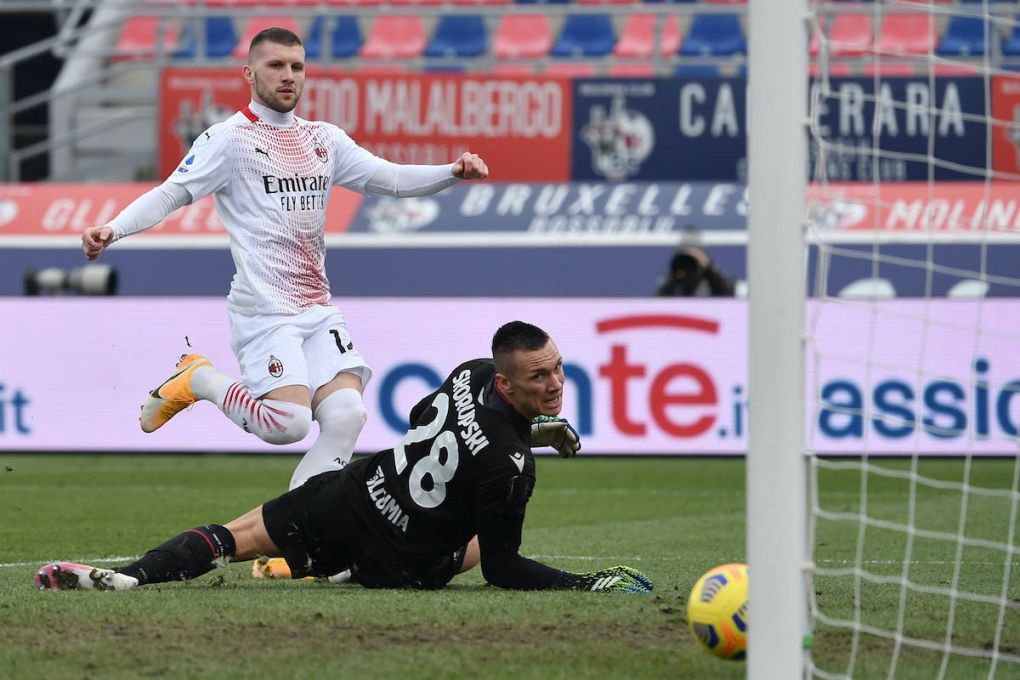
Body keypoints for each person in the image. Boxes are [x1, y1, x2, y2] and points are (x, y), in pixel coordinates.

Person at [80, 27, 489, 490]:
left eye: (296, 67)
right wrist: (114, 228)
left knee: (346, 415)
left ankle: (296, 542)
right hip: (264, 310)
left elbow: (389, 179)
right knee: (288, 424)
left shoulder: (323, 139)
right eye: (275, 66)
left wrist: (451, 172)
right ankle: (201, 379)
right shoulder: (228, 139)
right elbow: (173, 192)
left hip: (316, 306)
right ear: (249, 72)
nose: (288, 76)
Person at [35, 322, 652, 594]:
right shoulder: (511, 464)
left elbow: (419, 421)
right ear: (510, 385)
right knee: (477, 542)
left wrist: (528, 432)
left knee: (238, 533)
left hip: (355, 493)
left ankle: (135, 576)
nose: (555, 383)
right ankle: (333, 571)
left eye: (559, 369)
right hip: (403, 561)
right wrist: (587, 581)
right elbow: (504, 570)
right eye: (540, 377)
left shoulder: (470, 372)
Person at [655, 242, 736, 298]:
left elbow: (726, 295)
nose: (688, 265)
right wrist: (675, 272)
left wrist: (708, 267)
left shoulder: (710, 277)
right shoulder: (675, 276)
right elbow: (661, 299)